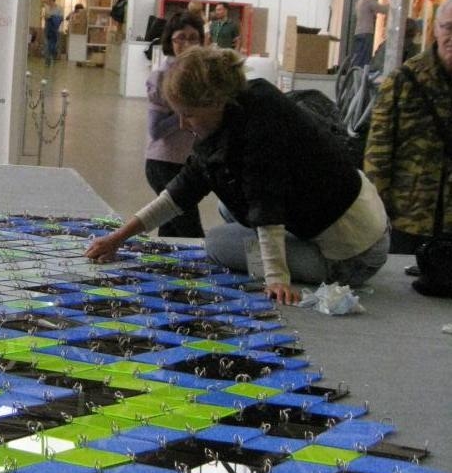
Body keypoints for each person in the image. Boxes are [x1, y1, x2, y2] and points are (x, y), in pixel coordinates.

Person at [85, 47, 389, 303]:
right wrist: (118, 238)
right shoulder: (240, 104)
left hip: (353, 257)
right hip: (363, 225)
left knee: (218, 243)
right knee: (227, 207)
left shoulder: (260, 128)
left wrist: (277, 278)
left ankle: (311, 261)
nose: (182, 125)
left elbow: (266, 203)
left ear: (214, 103)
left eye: (188, 115)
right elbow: (183, 190)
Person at [363, 0, 452, 255]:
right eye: (448, 27)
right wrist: (376, 217)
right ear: (436, 29)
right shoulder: (404, 80)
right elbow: (378, 154)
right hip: (408, 223)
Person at [144, 11, 205, 239]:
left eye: (193, 38)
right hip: (164, 163)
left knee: (170, 229)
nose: (187, 44)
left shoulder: (197, 73)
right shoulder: (161, 76)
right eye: (181, 38)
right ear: (170, 41)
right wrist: (185, 113)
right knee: (191, 232)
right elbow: (155, 130)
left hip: (187, 160)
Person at [351, 0, 388, 69]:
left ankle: (355, 72)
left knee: (358, 54)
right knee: (365, 55)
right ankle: (362, 73)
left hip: (358, 32)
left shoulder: (359, 2)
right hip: (366, 31)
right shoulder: (369, 0)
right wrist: (392, 5)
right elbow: (381, 9)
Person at [42, 0, 63, 66]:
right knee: (47, 45)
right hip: (48, 28)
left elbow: (61, 18)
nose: (46, 0)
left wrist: (52, 17)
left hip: (56, 29)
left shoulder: (59, 8)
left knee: (53, 45)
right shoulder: (47, 7)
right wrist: (48, 17)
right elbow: (46, 17)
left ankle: (54, 54)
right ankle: (47, 62)